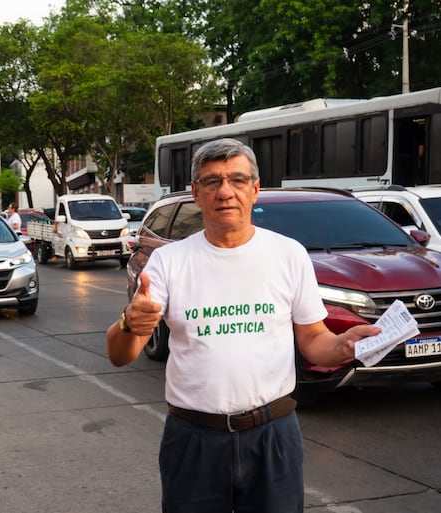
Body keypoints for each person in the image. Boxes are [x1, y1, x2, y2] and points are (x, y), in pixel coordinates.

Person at [106, 138, 381, 513]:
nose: (225, 192)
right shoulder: (169, 262)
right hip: (193, 439)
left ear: (255, 189)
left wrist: (343, 345)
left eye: (237, 180)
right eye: (212, 181)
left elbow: (314, 340)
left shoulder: (288, 255)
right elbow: (121, 354)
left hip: (273, 436)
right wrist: (128, 323)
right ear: (196, 193)